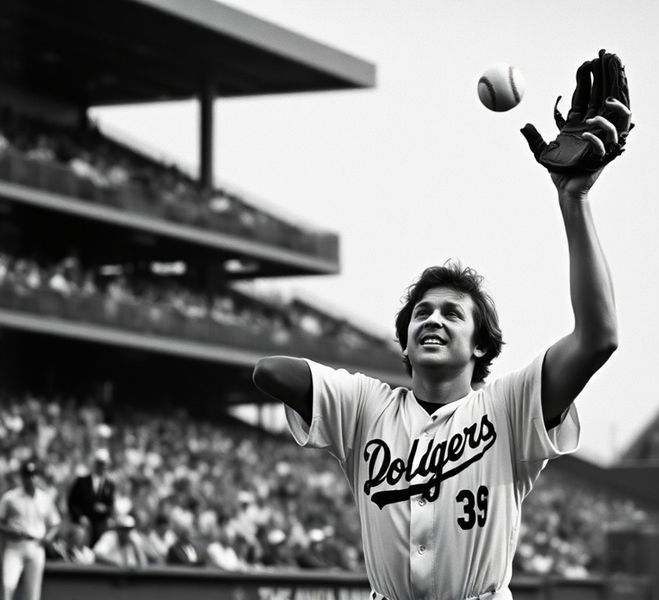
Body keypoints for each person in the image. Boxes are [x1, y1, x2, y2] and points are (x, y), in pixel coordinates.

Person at [253, 51, 631, 600]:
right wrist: (350, 395)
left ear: (480, 347)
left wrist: (574, 200)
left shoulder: (507, 407)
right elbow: (269, 372)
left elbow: (599, 338)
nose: (432, 319)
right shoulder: (367, 411)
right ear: (405, 339)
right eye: (421, 313)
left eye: (453, 313)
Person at [0, 461, 61, 600]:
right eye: (27, 476)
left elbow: (56, 523)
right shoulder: (10, 497)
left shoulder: (45, 499)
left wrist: (49, 537)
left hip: (36, 546)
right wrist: (9, 531)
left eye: (33, 475)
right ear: (22, 477)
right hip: (15, 545)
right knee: (7, 585)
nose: (31, 479)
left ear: (38, 477)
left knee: (33, 594)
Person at [67, 448, 116, 546]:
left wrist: (105, 510)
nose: (102, 467)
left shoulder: (110, 485)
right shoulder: (82, 481)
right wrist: (80, 517)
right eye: (99, 464)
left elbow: (110, 505)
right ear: (95, 464)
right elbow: (72, 502)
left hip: (100, 524)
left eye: (104, 464)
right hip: (83, 522)